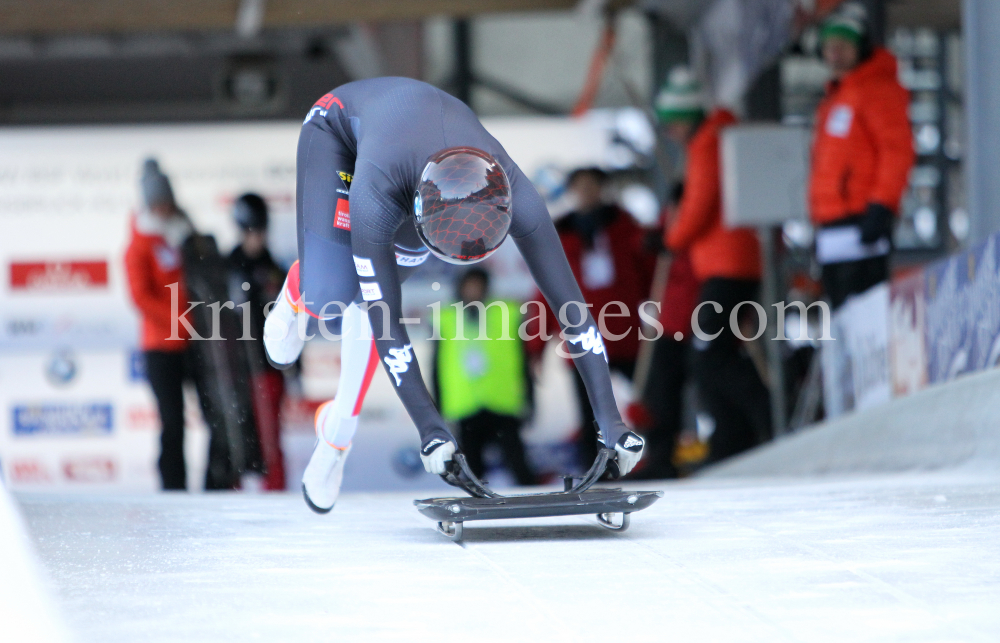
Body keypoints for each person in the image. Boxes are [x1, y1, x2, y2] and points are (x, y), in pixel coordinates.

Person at [261, 78, 645, 513]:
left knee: (360, 301)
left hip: (409, 150)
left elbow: (573, 312)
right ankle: (301, 291)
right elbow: (386, 323)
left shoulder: (515, 189)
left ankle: (338, 433)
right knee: (334, 303)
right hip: (340, 131)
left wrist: (611, 421)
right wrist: (431, 428)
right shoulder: (378, 194)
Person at [658, 67, 772, 463]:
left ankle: (762, 418)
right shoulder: (711, 141)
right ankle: (733, 437)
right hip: (729, 265)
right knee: (714, 355)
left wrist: (669, 239)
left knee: (710, 358)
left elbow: (700, 207)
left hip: (729, 267)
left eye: (673, 124)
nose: (670, 133)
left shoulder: (707, 144)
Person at [526, 167, 655, 469]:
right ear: (571, 192)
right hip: (582, 339)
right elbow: (546, 293)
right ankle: (595, 471)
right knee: (590, 416)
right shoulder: (559, 235)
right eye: (580, 186)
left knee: (649, 405)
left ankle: (656, 461)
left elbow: (652, 277)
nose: (586, 192)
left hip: (626, 335)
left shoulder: (627, 227)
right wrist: (536, 345)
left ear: (603, 189)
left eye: (592, 185)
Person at [810, 1, 914, 309]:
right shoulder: (836, 97)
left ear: (860, 47)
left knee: (864, 316)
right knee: (841, 319)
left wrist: (881, 205)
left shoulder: (878, 89)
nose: (835, 52)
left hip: (861, 223)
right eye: (830, 45)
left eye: (843, 44)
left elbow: (897, 151)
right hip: (833, 226)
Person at [124, 159, 198, 490]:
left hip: (195, 341)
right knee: (172, 421)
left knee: (213, 412)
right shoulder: (139, 246)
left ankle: (218, 482)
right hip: (161, 346)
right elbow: (141, 297)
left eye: (167, 201)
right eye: (158, 203)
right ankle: (173, 487)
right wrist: (177, 322)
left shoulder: (186, 233)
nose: (164, 209)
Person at [431, 268, 536, 486]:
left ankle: (533, 507)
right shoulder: (446, 318)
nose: (474, 291)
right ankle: (474, 511)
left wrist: (530, 397)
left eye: (478, 285)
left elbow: (523, 359)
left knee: (519, 465)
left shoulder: (506, 313)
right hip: (465, 406)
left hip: (503, 402)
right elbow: (436, 366)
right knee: (472, 472)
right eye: (469, 285)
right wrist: (437, 408)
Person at [227, 193, 288, 491]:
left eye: (260, 231)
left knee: (269, 437)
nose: (256, 238)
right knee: (235, 437)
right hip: (233, 370)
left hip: (267, 367)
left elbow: (293, 319)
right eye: (250, 232)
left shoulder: (275, 268)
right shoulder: (227, 267)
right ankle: (233, 497)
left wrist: (295, 364)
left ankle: (275, 494)